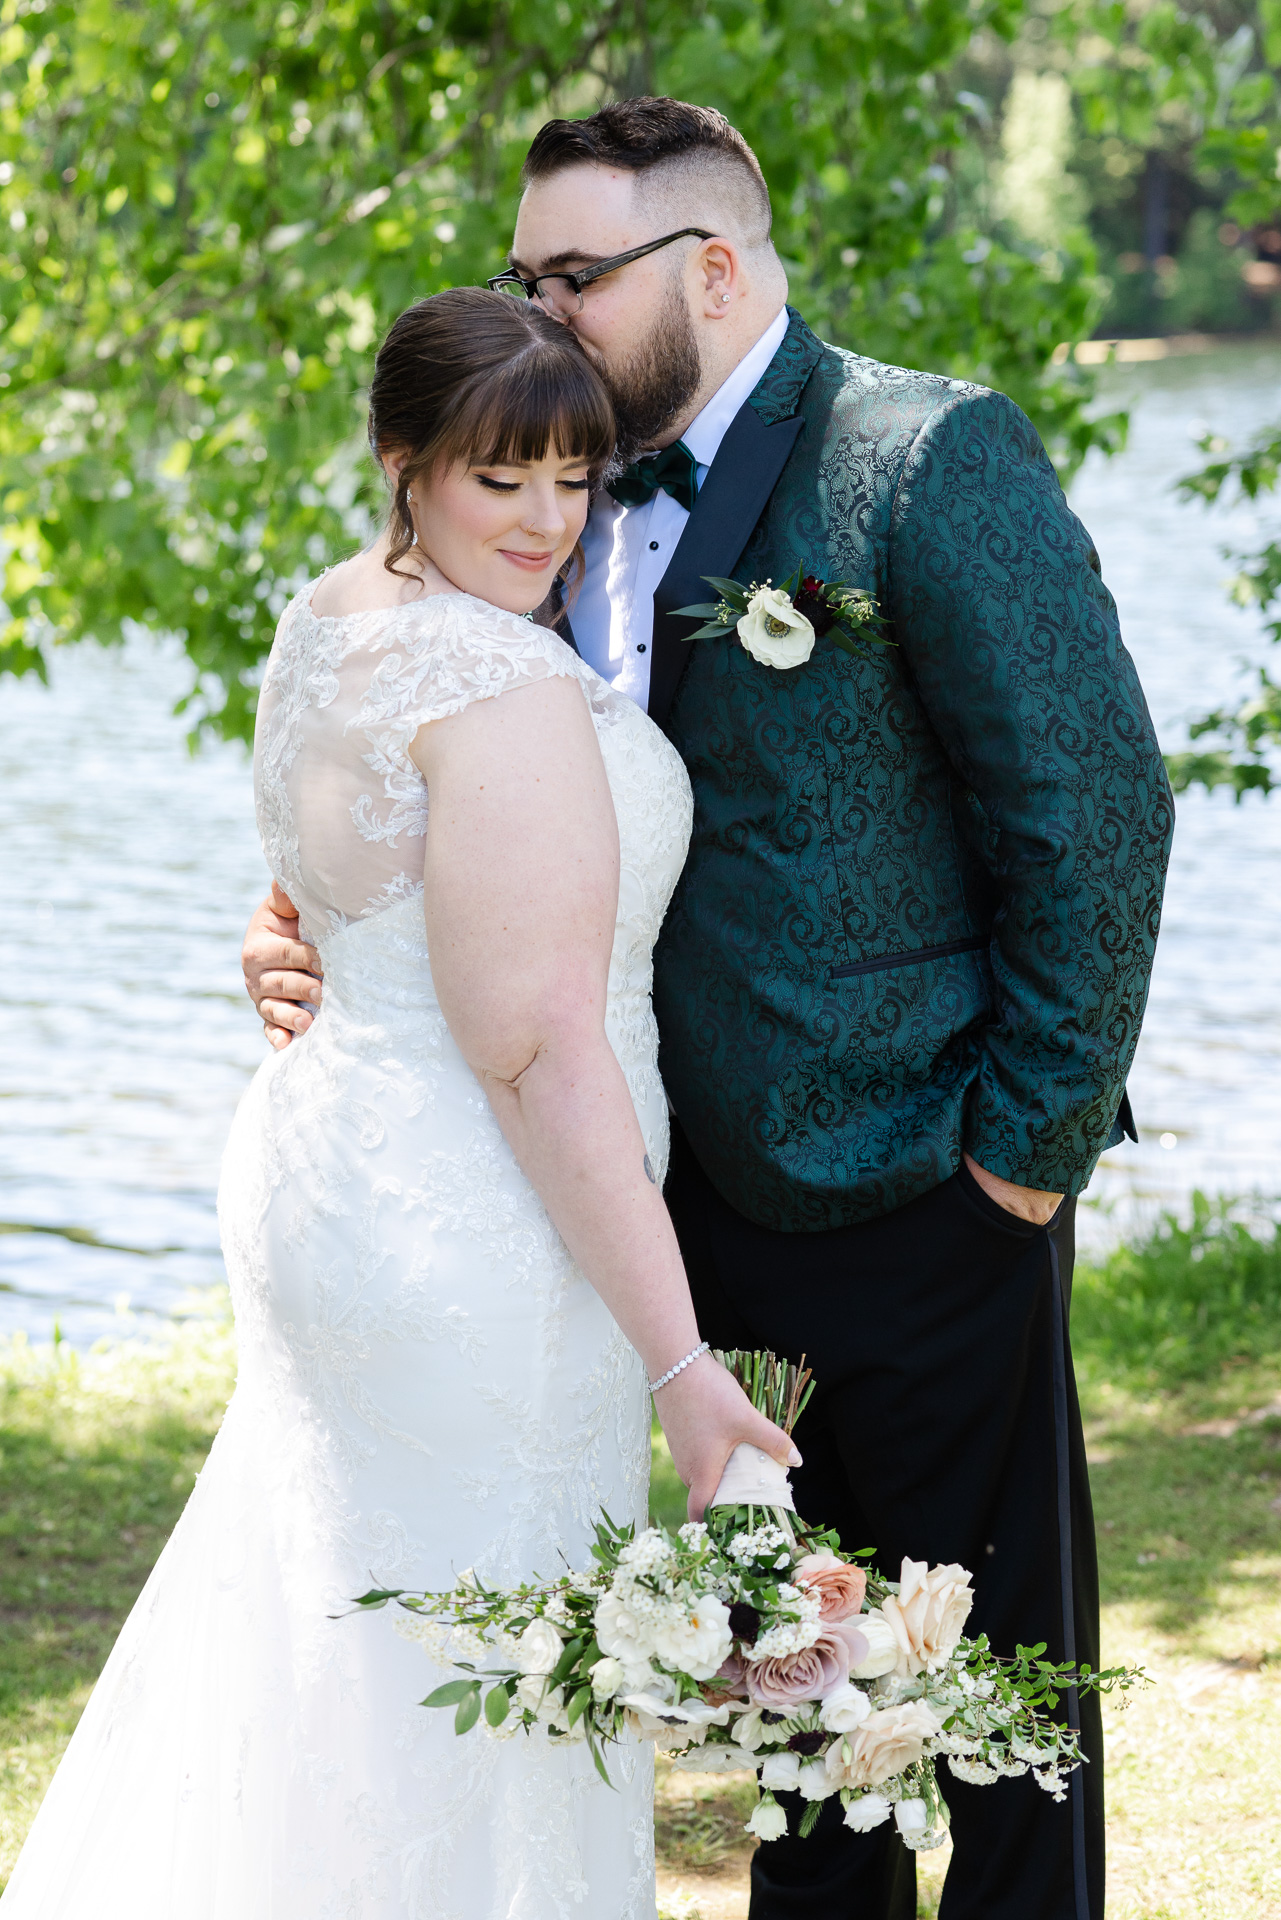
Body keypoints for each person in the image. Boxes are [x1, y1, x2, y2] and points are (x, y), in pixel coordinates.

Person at [243, 102, 1174, 1920]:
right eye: (523, 274)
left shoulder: (921, 457)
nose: (541, 309)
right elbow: (438, 776)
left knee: (983, 1719)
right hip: (645, 1212)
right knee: (781, 1725)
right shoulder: (547, 485)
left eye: (572, 275)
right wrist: (311, 929)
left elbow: (1093, 816)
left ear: (713, 269)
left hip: (914, 1187)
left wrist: (1018, 1163)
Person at [0, 287, 796, 1919]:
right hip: (481, 1234)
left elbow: (354, 869)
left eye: (572, 479)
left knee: (340, 1636)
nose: (545, 521)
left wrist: (293, 931)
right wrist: (683, 1367)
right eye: (498, 480)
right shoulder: (495, 687)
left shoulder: (332, 612)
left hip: (340, 1173)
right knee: (475, 1672)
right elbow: (539, 1056)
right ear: (404, 460)